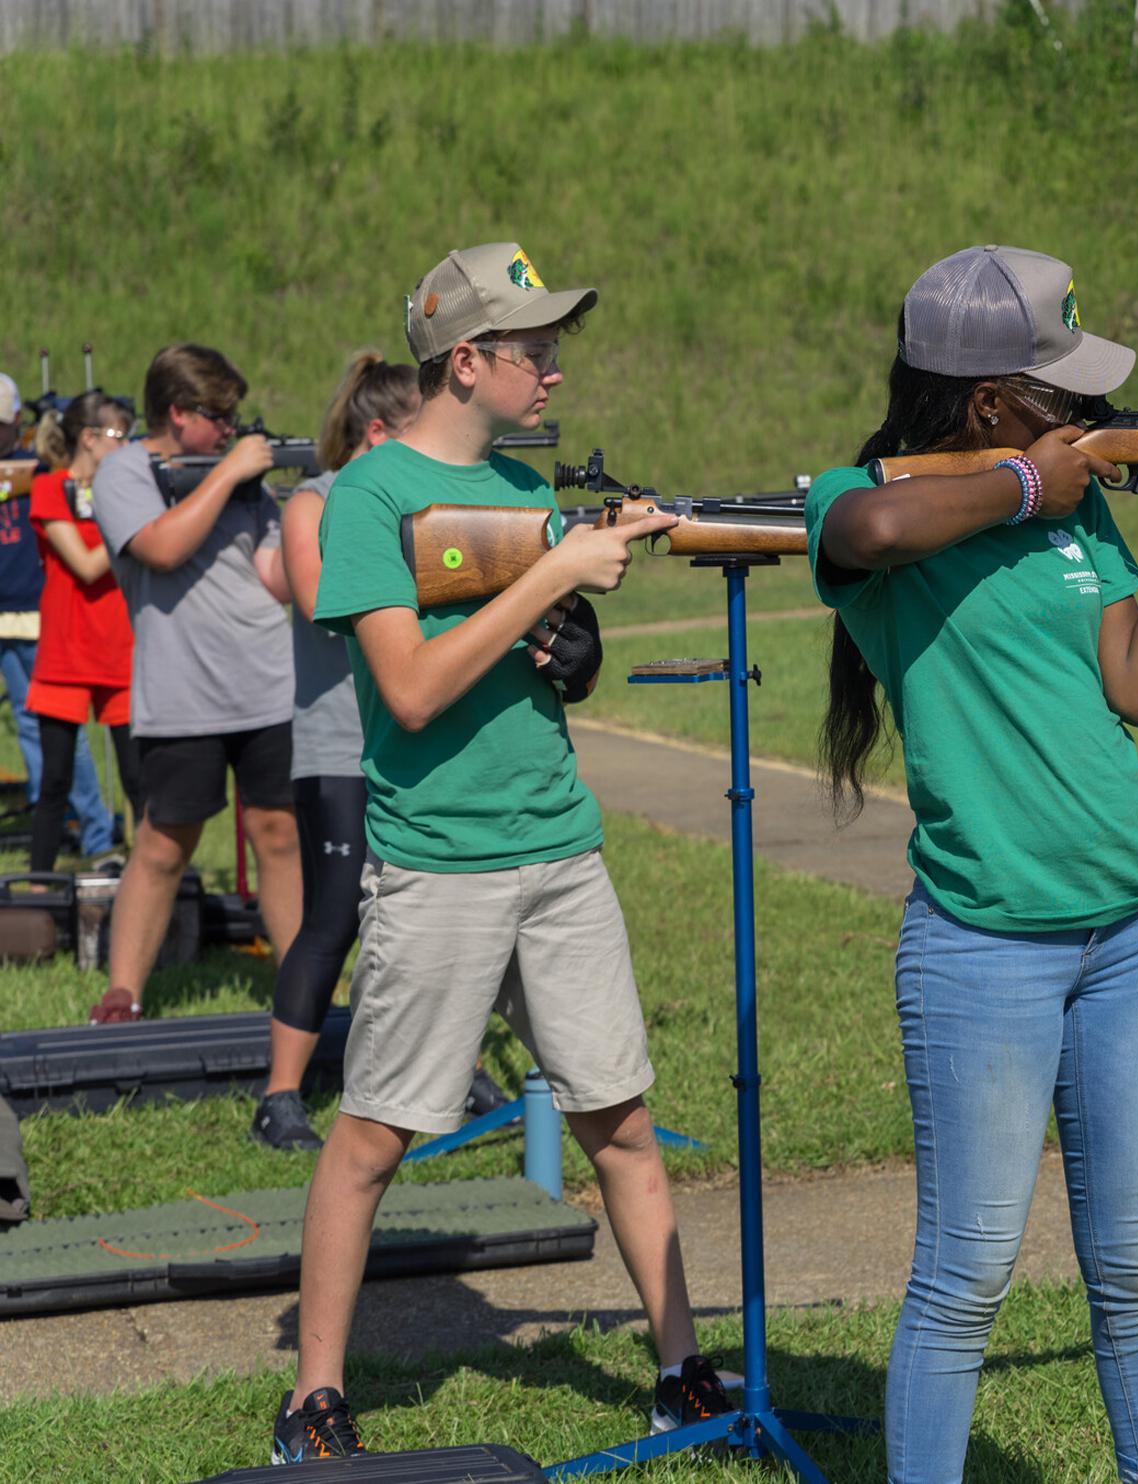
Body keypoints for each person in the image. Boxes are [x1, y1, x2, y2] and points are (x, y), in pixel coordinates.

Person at [807, 244, 1138, 1484]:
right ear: (989, 404)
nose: (1093, 419)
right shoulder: (879, 496)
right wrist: (1028, 481)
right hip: (985, 948)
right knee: (967, 1277)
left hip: (1131, 934)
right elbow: (868, 526)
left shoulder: (1081, 498)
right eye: (1063, 395)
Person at [272, 243, 731, 1462]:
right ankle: (314, 1397)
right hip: (441, 862)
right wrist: (556, 575)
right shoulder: (366, 502)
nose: (555, 372)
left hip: (558, 844)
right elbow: (412, 690)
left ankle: (681, 1369)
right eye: (535, 352)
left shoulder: (520, 493)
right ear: (466, 361)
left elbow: (527, 661)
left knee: (621, 1122)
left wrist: (571, 643)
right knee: (373, 1135)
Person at [88, 344, 301, 1023]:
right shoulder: (125, 471)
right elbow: (161, 547)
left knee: (280, 834)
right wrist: (229, 473)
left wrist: (320, 521)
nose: (235, 430)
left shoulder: (242, 482)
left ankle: (301, 992)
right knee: (164, 841)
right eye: (221, 417)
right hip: (182, 691)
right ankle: (124, 992)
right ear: (179, 414)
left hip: (268, 682)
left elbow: (275, 578)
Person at [248, 352, 415, 1153]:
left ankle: (424, 1077)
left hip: (408, 740)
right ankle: (279, 1097)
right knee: (332, 919)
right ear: (376, 432)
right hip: (335, 746)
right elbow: (319, 602)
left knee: (419, 918)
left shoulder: (409, 497)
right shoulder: (314, 502)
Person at [26, 390, 143, 872]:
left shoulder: (127, 491)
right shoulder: (51, 487)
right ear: (89, 438)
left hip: (122, 650)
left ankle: (153, 881)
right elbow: (86, 565)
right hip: (67, 651)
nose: (129, 445)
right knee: (54, 781)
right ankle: (36, 887)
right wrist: (135, 526)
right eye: (121, 436)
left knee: (140, 782)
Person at [0, 371, 115, 855]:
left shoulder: (37, 471)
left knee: (47, 728)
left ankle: (90, 830)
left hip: (30, 610)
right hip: (8, 612)